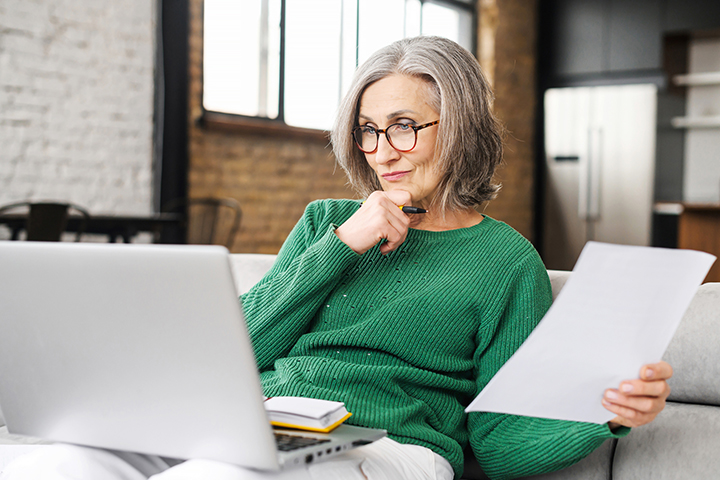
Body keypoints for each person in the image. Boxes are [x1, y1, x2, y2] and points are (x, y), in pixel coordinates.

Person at [0, 36, 671, 480]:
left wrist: (602, 411)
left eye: (404, 126)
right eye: (369, 131)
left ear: (459, 127)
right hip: (269, 425)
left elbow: (493, 439)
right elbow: (237, 349)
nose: (383, 150)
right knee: (56, 463)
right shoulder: (328, 223)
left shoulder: (504, 260)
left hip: (392, 447)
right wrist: (339, 249)